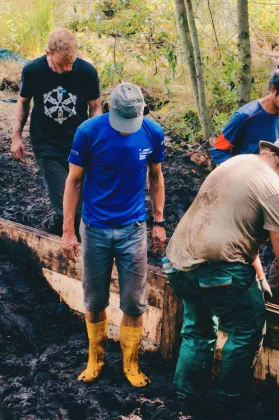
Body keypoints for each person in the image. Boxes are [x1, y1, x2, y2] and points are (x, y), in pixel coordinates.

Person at [165, 135, 279, 412]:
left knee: (198, 332)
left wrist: (260, 277)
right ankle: (229, 402)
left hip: (179, 263)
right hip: (218, 271)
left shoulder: (238, 164)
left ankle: (187, 398)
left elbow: (241, 231)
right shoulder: (275, 190)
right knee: (247, 330)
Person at [61, 83, 166, 388]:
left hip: (133, 230)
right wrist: (69, 231)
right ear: (109, 109)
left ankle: (130, 364)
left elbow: (156, 177)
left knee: (134, 303)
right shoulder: (88, 132)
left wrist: (159, 221)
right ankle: (95, 358)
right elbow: (74, 181)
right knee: (94, 300)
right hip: (95, 229)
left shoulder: (152, 132)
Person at [210, 61, 279, 304]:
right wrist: (239, 174)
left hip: (276, 196)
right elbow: (219, 150)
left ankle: (270, 303)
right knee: (249, 251)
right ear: (273, 90)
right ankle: (245, 299)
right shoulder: (246, 116)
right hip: (246, 197)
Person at [11, 28, 102, 234]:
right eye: (63, 64)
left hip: (79, 142)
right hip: (46, 142)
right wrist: (16, 136)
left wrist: (95, 139)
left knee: (82, 203)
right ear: (48, 54)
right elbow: (23, 103)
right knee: (65, 203)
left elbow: (95, 107)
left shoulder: (87, 72)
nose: (69, 68)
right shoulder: (33, 71)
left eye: (72, 62)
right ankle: (58, 231)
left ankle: (57, 228)